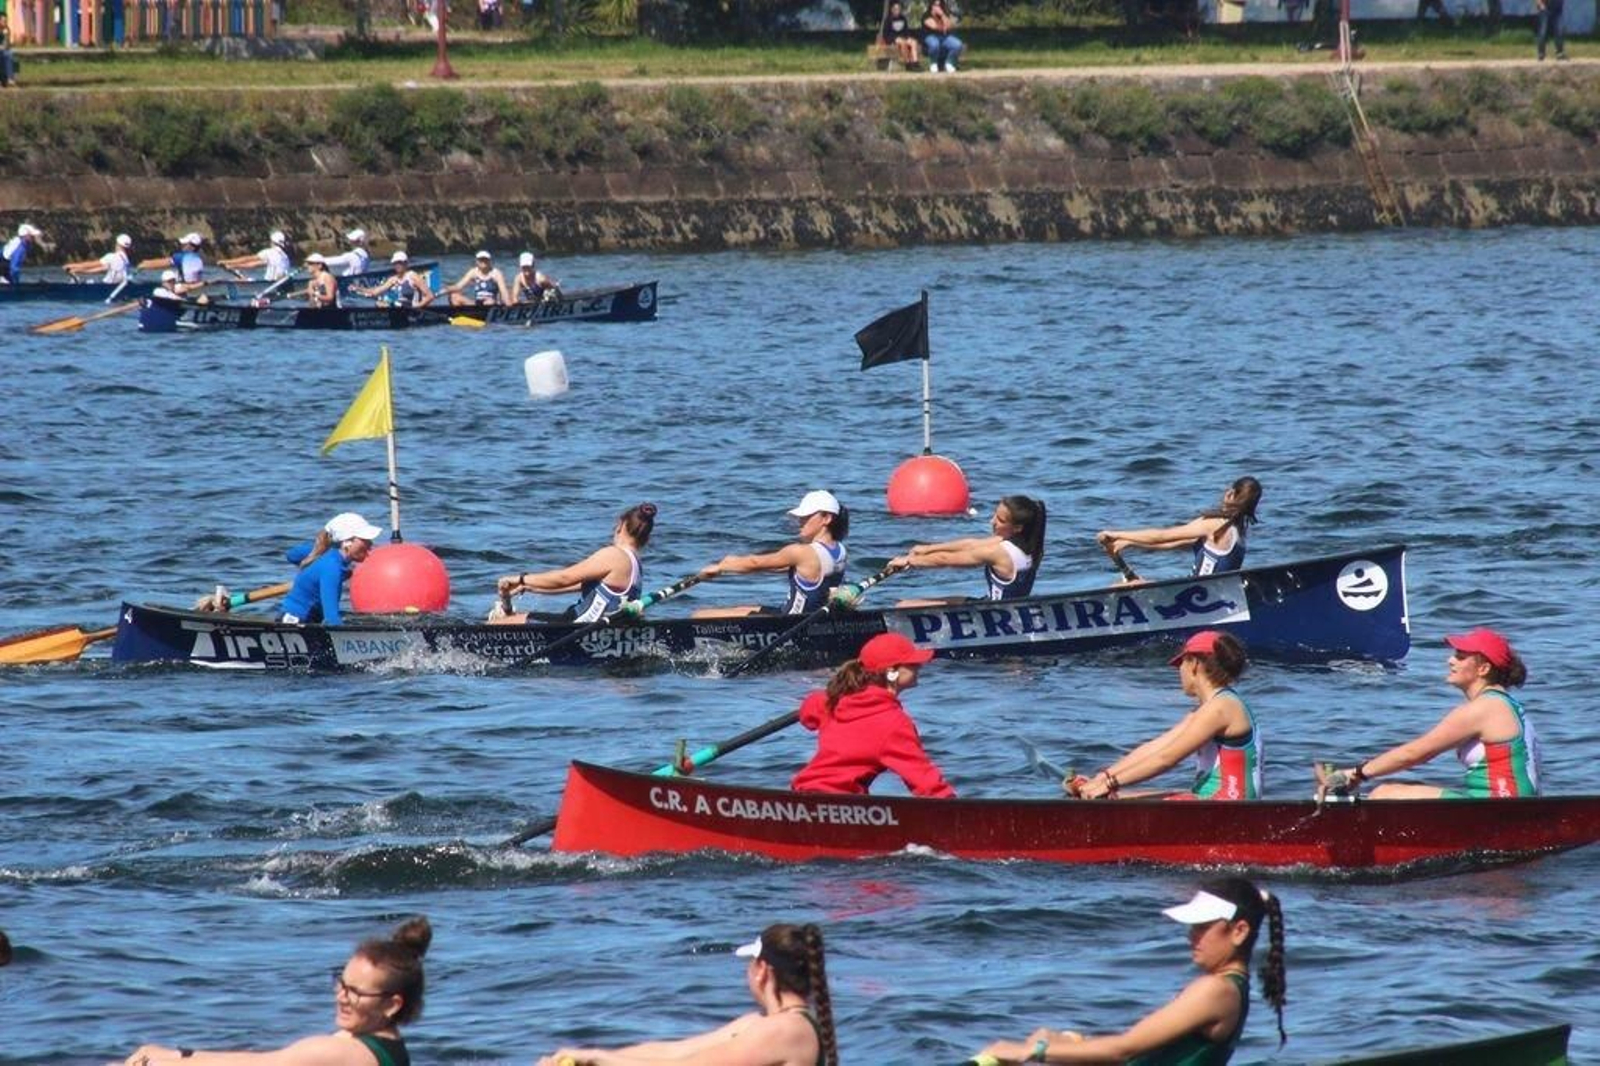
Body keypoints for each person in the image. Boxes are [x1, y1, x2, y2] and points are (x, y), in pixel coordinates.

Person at [971, 878, 1287, 1065]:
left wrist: (1032, 1051)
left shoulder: (1215, 991)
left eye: (1202, 927)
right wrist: (1068, 1044)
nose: (1191, 936)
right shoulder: (1228, 988)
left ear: (1239, 931)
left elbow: (1124, 1049)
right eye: (1192, 927)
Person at [121, 915, 431, 1066]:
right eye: (341, 983)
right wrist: (177, 1056)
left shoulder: (343, 1052)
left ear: (392, 1005)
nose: (341, 996)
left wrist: (161, 1060)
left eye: (355, 992)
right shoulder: (383, 1045)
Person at [538, 923, 839, 1066]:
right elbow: (674, 1052)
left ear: (762, 971)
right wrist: (588, 1057)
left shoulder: (787, 1030)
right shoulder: (759, 1024)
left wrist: (600, 1059)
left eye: (749, 965)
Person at [1322, 628, 1538, 799]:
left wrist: (1357, 773)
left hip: (1497, 809)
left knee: (1384, 794)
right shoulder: (1509, 705)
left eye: (1461, 656)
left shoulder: (1483, 708)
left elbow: (1416, 753)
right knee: (1403, 790)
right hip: (1511, 807)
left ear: (1483, 669)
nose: (1450, 660)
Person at [1070, 631, 1260, 801]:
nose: (1179, 671)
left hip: (1225, 806)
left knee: (1112, 798)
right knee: (1116, 797)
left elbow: (1165, 758)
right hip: (1214, 801)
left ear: (1194, 664)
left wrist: (1109, 784)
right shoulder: (1207, 709)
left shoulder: (1221, 708)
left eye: (1181, 663)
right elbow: (1155, 747)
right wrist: (1101, 778)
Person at [792, 632, 955, 798]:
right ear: (891, 672)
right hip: (841, 801)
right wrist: (954, 807)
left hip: (801, 793)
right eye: (912, 663)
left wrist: (832, 696)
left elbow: (809, 711)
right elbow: (925, 783)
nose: (919, 666)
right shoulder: (894, 723)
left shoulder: (833, 701)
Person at [490, 502, 656, 625]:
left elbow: (564, 578)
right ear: (646, 538)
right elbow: (578, 585)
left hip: (575, 627)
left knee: (496, 625)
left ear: (620, 525)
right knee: (516, 618)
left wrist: (521, 578)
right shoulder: (635, 564)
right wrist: (528, 587)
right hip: (591, 628)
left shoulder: (614, 555)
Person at [693, 490, 848, 619]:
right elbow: (785, 567)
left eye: (806, 516)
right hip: (812, 619)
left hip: (789, 624)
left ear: (826, 518)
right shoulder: (840, 550)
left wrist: (722, 566)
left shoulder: (801, 552)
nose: (800, 521)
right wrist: (730, 568)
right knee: (742, 608)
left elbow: (755, 563)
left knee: (700, 616)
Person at [889, 495, 1047, 607]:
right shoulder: (1031, 546)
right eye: (995, 515)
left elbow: (947, 560)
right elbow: (970, 545)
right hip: (1007, 608)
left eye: (1000, 520)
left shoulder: (998, 552)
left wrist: (909, 561)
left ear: (1018, 528)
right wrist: (927, 549)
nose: (992, 521)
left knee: (903, 606)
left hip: (994, 614)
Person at [1097, 476, 1261, 579]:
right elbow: (1173, 544)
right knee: (1135, 582)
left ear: (1230, 494)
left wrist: (1116, 534)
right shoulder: (1238, 532)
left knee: (1123, 586)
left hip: (1198, 594)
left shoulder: (1215, 524)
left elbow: (1161, 536)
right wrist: (1131, 543)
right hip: (1212, 597)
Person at [280, 512, 383, 627]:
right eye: (365, 539)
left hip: (309, 619)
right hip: (296, 623)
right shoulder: (332, 568)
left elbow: (292, 555)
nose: (370, 544)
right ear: (347, 542)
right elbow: (331, 618)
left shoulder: (328, 555)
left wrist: (319, 549)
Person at [353, 251, 432, 307]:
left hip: (413, 310)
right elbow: (375, 292)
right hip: (400, 308)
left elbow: (429, 296)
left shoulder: (413, 276)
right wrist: (359, 288)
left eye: (400, 263)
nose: (397, 265)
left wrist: (418, 306)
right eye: (395, 263)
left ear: (406, 263)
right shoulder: (393, 279)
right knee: (379, 304)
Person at [436, 249, 511, 307]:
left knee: (489, 302)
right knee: (454, 296)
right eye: (481, 260)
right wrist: (438, 293)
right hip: (477, 304)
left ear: (489, 261)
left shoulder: (496, 273)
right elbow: (458, 286)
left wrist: (508, 305)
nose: (483, 262)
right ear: (477, 261)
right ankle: (458, 316)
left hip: (491, 303)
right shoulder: (473, 272)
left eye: (485, 260)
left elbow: (504, 292)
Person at [218, 229, 294, 282]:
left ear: (272, 242)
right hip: (278, 282)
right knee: (243, 278)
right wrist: (233, 266)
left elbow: (248, 259)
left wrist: (225, 262)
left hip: (269, 283)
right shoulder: (285, 256)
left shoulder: (269, 252)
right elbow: (253, 264)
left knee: (237, 280)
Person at [63, 233, 135, 285]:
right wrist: (79, 270)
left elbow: (91, 264)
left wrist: (71, 265)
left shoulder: (112, 257)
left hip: (107, 285)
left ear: (117, 244)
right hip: (115, 285)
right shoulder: (126, 259)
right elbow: (101, 269)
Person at [139, 232, 206, 284]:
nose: (182, 245)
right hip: (195, 284)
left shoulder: (181, 257)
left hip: (185, 286)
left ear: (191, 246)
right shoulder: (199, 257)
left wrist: (143, 265)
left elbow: (162, 263)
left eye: (185, 244)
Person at [922, 0, 963, 73]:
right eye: (935, 5)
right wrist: (935, 17)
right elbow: (935, 27)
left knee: (957, 44)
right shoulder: (926, 15)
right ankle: (933, 64)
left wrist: (942, 15)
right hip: (930, 37)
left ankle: (949, 63)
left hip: (944, 37)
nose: (937, 8)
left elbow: (949, 26)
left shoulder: (944, 14)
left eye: (939, 5)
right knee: (934, 44)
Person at [880, 0, 920, 67]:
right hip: (893, 39)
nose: (897, 10)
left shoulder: (903, 18)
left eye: (898, 9)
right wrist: (893, 40)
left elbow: (906, 31)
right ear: (892, 10)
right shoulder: (888, 20)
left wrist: (908, 38)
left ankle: (915, 62)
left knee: (913, 42)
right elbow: (886, 34)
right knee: (903, 43)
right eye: (895, 9)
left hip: (903, 37)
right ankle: (907, 63)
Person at [0, 14, 15, 89]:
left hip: (3, 51)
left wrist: (6, 35)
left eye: (6, 21)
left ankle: (10, 79)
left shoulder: (6, 29)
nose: (5, 22)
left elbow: (6, 44)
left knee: (8, 54)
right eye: (3, 21)